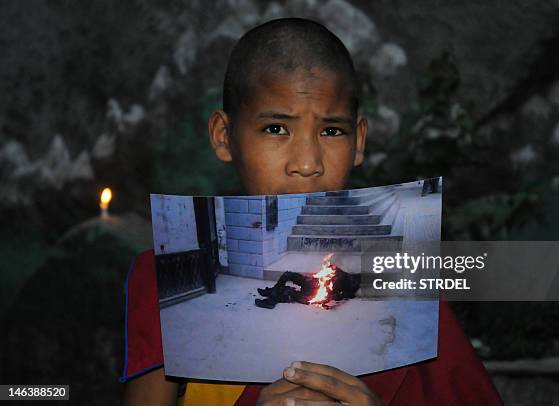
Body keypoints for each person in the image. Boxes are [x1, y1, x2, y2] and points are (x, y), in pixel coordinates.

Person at [122, 18, 503, 405]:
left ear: (359, 141)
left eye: (332, 131)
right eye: (275, 129)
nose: (306, 163)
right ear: (224, 136)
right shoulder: (168, 278)